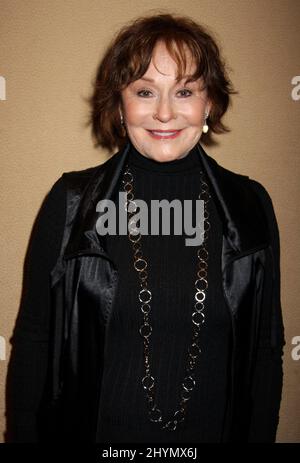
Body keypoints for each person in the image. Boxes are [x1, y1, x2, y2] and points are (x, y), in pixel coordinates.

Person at [6, 13, 285, 443]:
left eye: (185, 91)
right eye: (145, 91)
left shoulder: (250, 206)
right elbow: (34, 341)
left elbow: (266, 353)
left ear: (209, 102)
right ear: (120, 104)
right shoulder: (72, 203)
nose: (164, 113)